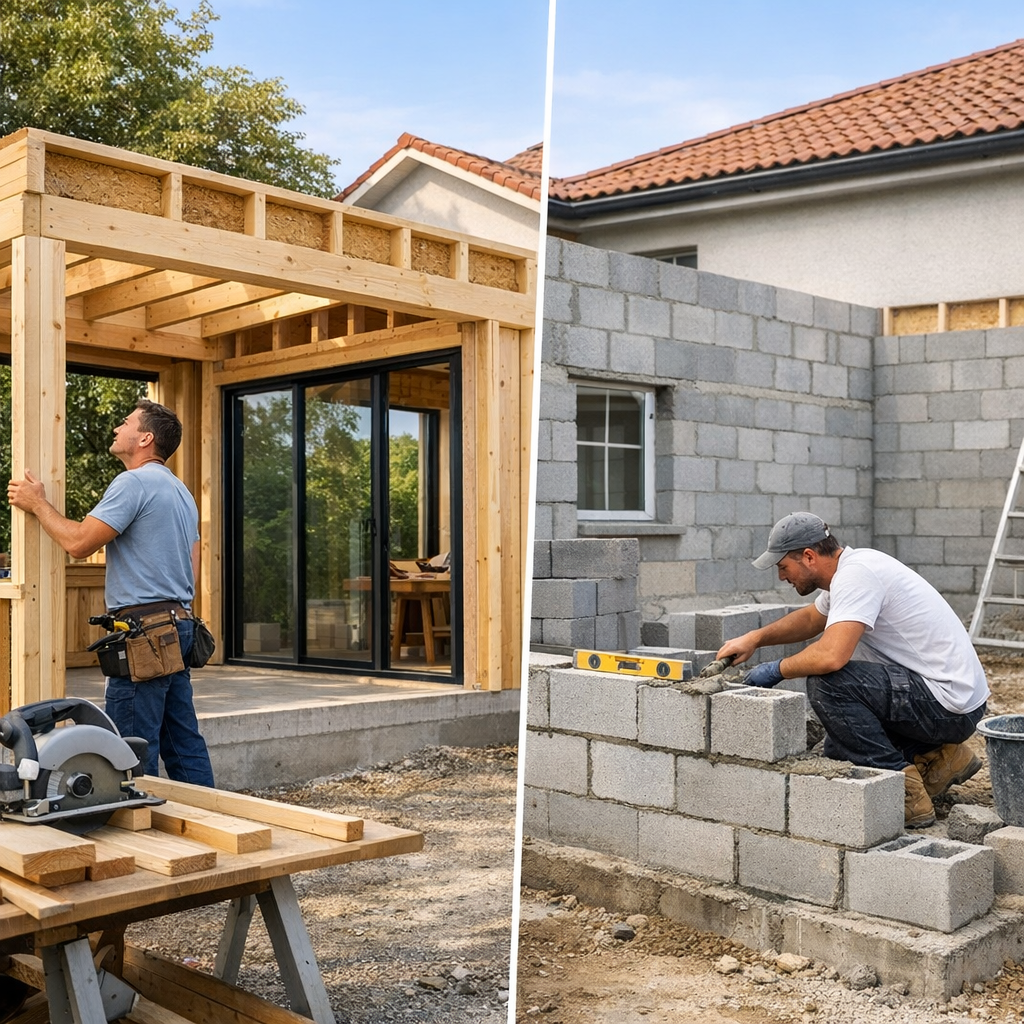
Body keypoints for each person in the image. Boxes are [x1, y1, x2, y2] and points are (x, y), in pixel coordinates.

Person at [716, 512, 988, 828]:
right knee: (840, 748)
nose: (781, 577)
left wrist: (777, 669)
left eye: (782, 567)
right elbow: (810, 620)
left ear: (808, 556)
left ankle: (904, 794)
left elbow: (831, 656)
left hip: (947, 704)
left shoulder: (858, 576)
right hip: (947, 698)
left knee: (828, 683)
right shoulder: (852, 570)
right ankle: (940, 758)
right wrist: (755, 638)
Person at [8, 399, 215, 786]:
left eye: (126, 423)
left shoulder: (133, 482)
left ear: (145, 438)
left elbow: (80, 543)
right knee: (182, 741)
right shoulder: (181, 492)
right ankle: (215, 818)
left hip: (146, 636)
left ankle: (142, 830)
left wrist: (37, 503)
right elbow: (194, 564)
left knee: (130, 747)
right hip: (178, 625)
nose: (118, 428)